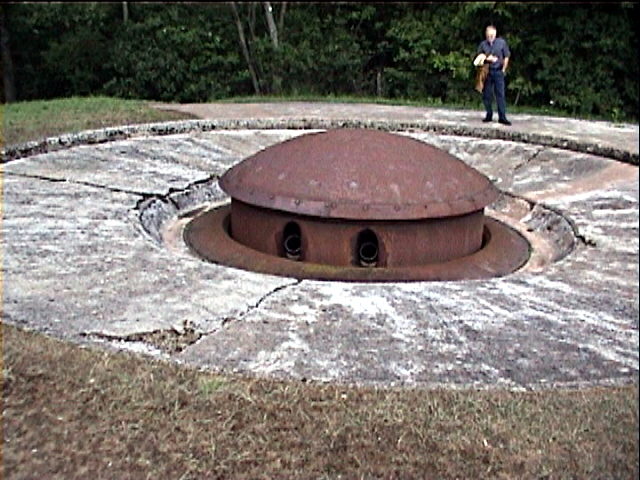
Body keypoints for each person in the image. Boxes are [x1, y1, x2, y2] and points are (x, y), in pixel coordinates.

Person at [476, 25, 511, 126]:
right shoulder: (483, 45)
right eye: (488, 35)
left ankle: (502, 117)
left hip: (498, 71)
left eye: (492, 35)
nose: (490, 37)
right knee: (487, 95)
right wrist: (487, 58)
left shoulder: (501, 43)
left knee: (500, 94)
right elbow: (478, 58)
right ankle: (489, 114)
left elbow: (507, 56)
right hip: (487, 72)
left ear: (495, 34)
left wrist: (504, 69)